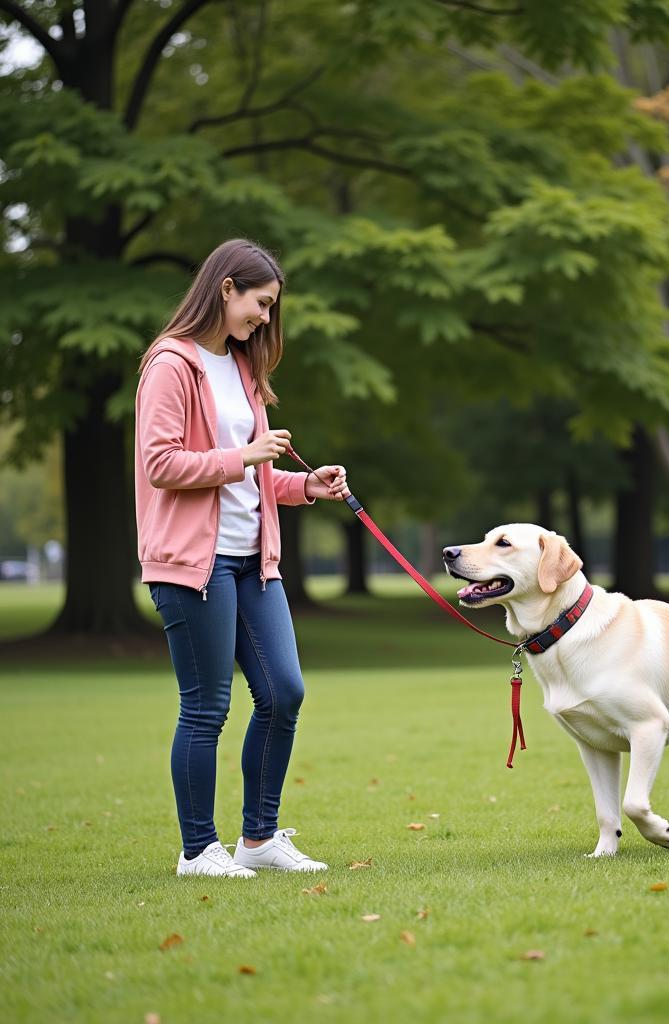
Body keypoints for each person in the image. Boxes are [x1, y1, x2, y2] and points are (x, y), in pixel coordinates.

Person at [135, 239, 349, 878]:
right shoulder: (171, 364)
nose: (264, 318)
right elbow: (162, 464)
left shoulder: (243, 368)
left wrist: (303, 485)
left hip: (253, 560)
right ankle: (199, 849)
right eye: (260, 303)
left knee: (284, 691)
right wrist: (248, 455)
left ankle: (258, 839)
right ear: (226, 287)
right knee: (207, 706)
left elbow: (246, 479)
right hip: (192, 565)